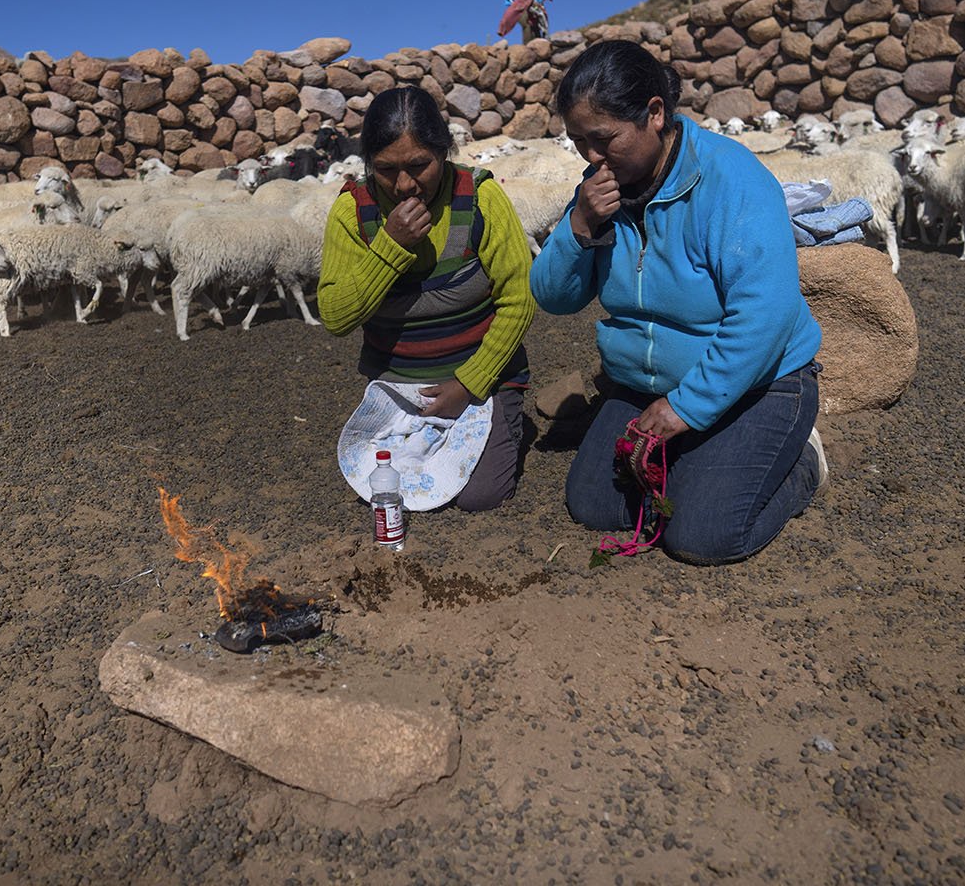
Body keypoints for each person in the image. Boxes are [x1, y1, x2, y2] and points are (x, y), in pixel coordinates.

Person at [530, 40, 827, 565]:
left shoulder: (730, 180)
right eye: (579, 142)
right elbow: (554, 298)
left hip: (757, 383)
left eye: (603, 139)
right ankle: (705, 457)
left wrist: (687, 407)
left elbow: (766, 313)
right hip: (641, 384)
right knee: (596, 506)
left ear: (654, 113)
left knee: (702, 536)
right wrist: (579, 228)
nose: (591, 157)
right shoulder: (599, 191)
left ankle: (803, 463)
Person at [318, 87, 536, 511]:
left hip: (479, 381)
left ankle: (506, 416)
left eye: (419, 166)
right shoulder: (352, 212)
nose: (404, 185)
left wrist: (468, 384)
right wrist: (390, 247)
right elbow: (335, 316)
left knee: (479, 497)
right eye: (385, 170)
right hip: (398, 388)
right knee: (388, 489)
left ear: (444, 152)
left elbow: (519, 300)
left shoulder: (481, 201)